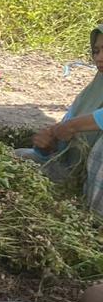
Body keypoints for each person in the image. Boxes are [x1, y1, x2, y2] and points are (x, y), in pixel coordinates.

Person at [16, 23, 103, 212]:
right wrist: (48, 146)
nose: (99, 58)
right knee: (16, 160)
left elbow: (75, 125)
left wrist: (74, 126)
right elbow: (63, 140)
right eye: (96, 51)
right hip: (75, 181)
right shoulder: (92, 93)